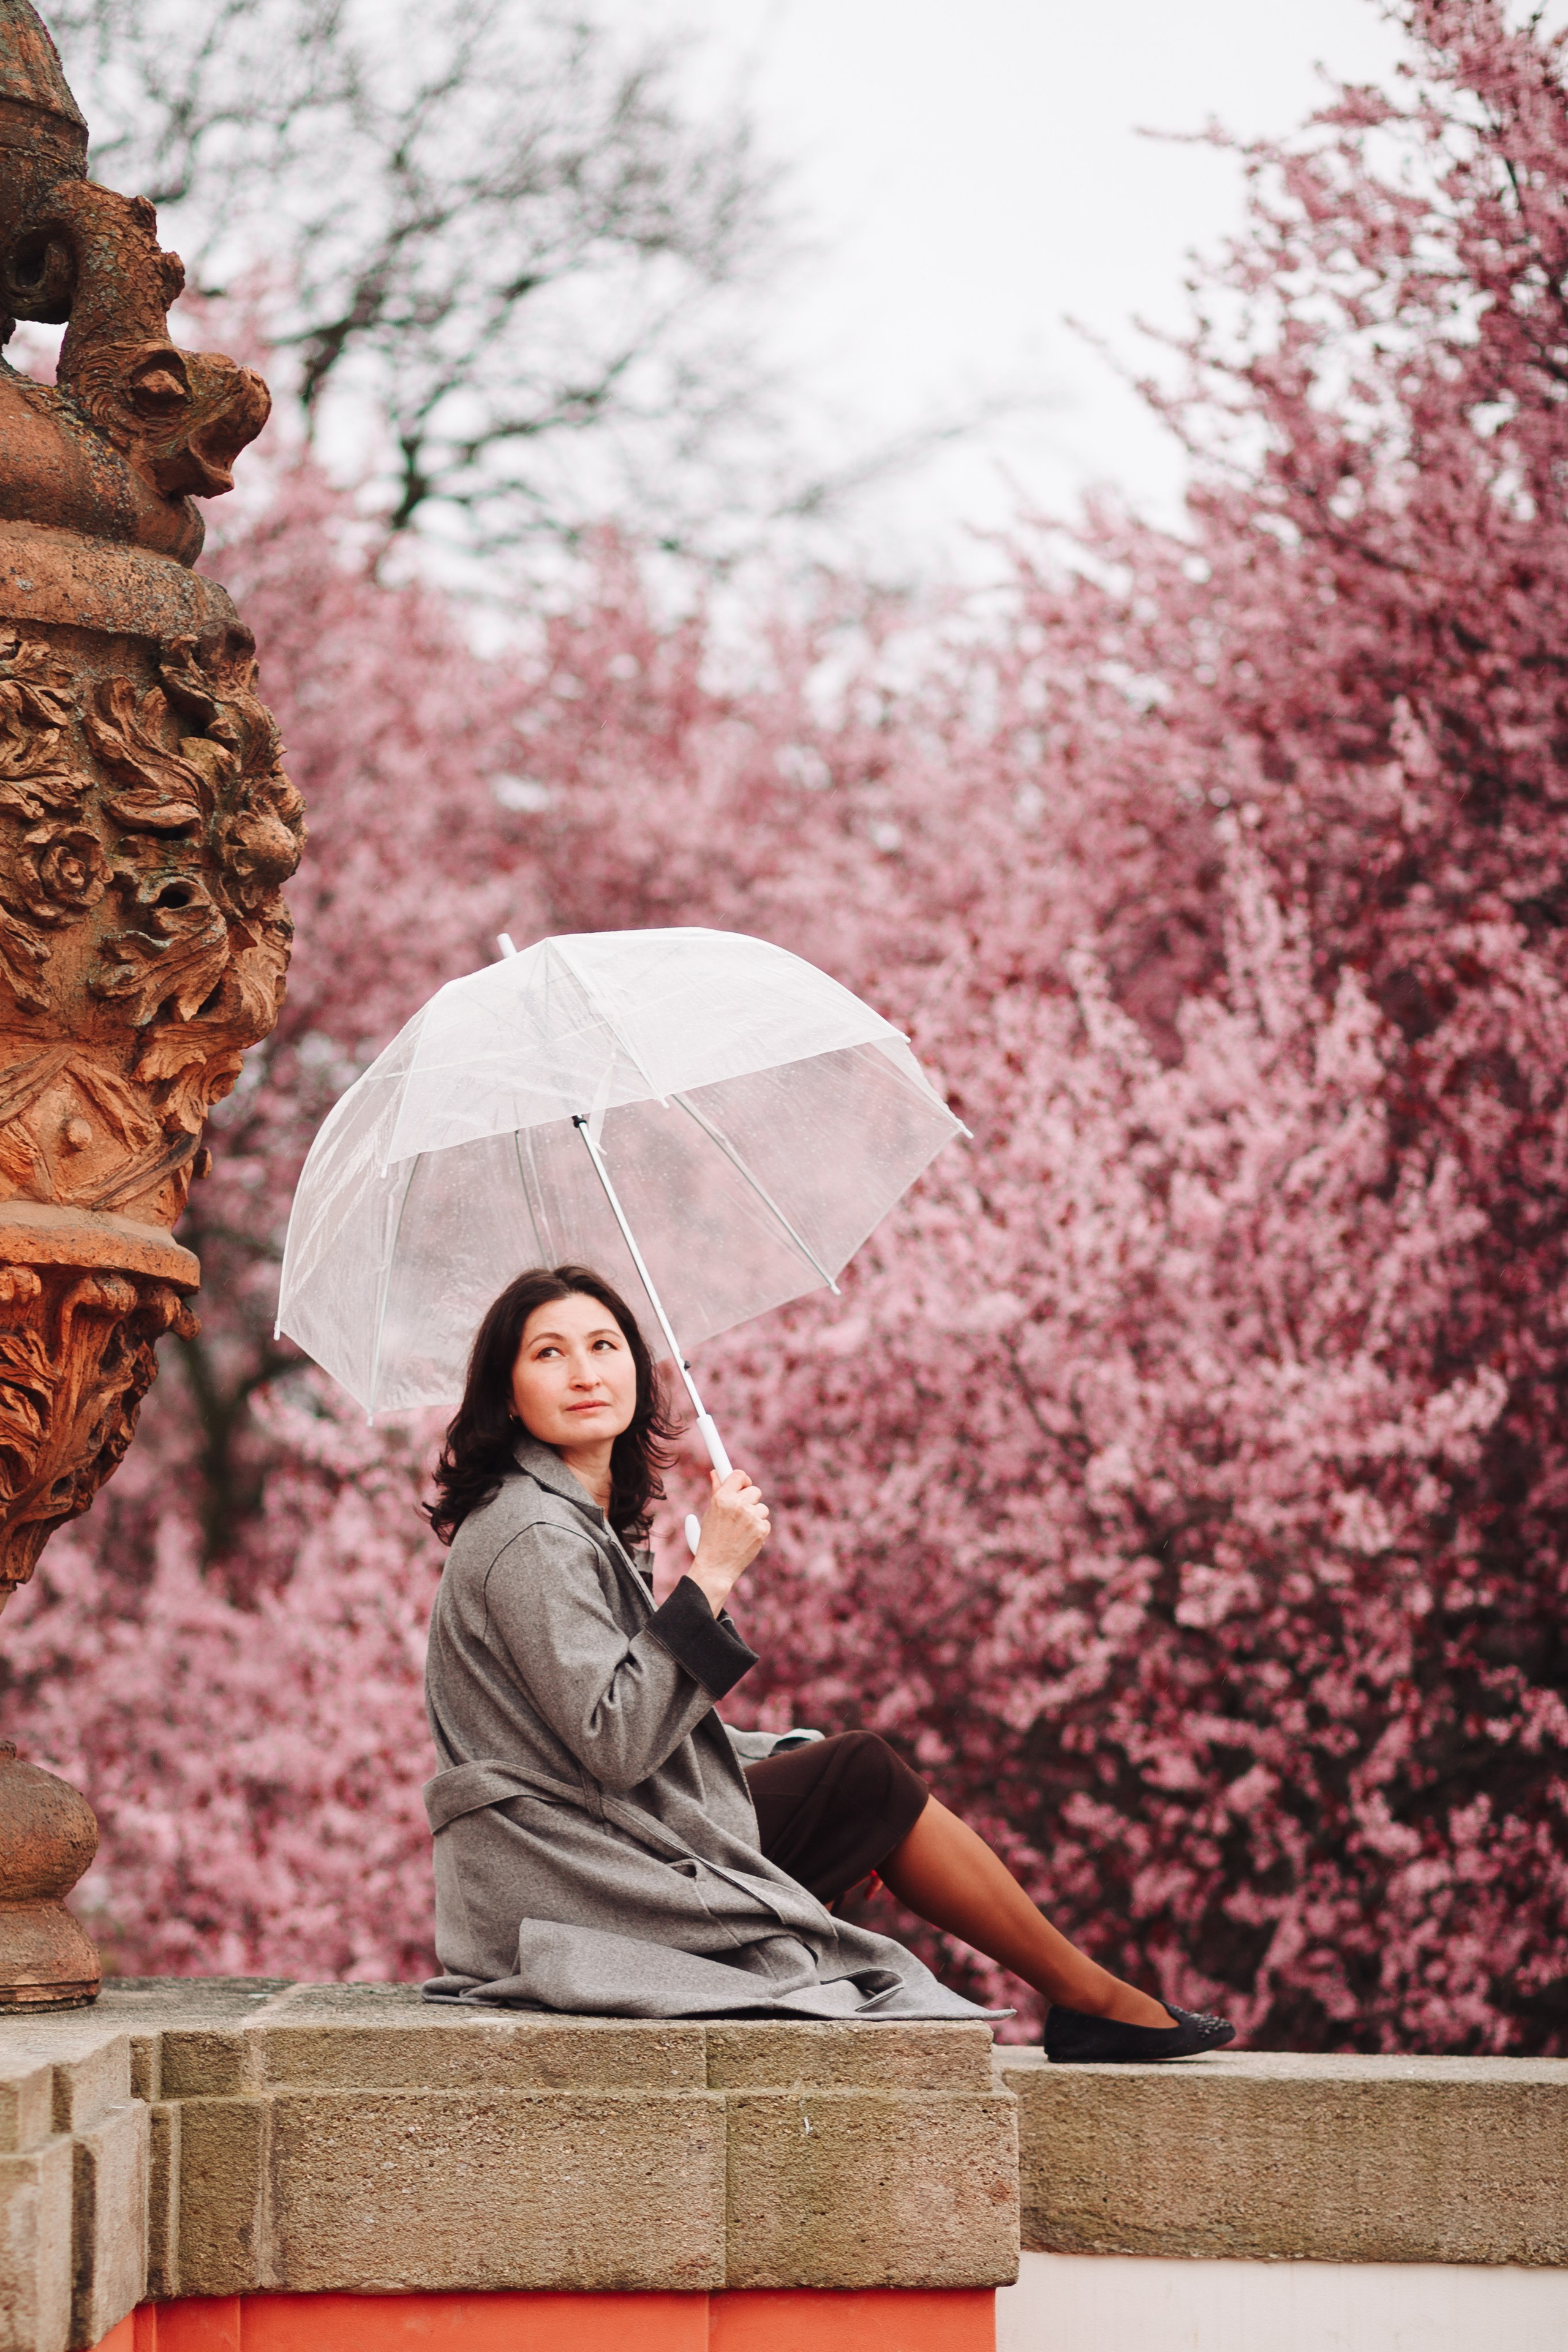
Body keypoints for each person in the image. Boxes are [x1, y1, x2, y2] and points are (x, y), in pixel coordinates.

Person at [421, 1264, 1234, 2060]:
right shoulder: (535, 1535)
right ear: (508, 1390)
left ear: (639, 1367)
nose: (585, 1373)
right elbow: (617, 1741)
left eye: (604, 1346)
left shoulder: (571, 1521)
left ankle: (1092, 2000)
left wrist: (784, 1760)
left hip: (585, 1849)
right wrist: (710, 1581)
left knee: (838, 1779)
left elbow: (615, 1735)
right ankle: (1093, 2001)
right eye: (549, 1354)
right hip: (564, 1875)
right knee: (863, 1778)